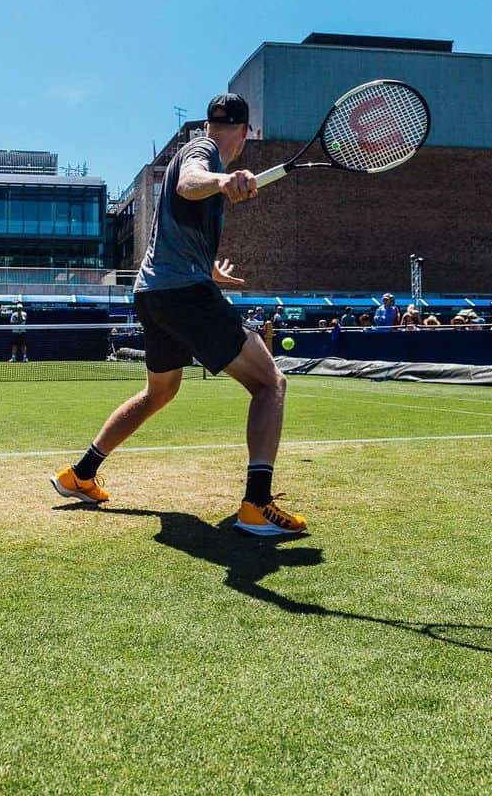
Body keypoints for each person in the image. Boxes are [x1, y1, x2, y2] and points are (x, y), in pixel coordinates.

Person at [50, 92, 305, 537]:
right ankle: (257, 503)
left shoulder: (201, 157)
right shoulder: (200, 155)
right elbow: (191, 181)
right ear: (246, 133)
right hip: (183, 294)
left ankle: (81, 475)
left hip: (155, 294)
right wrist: (224, 182)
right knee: (270, 384)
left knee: (158, 393)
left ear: (211, 123)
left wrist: (209, 270)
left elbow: (176, 224)